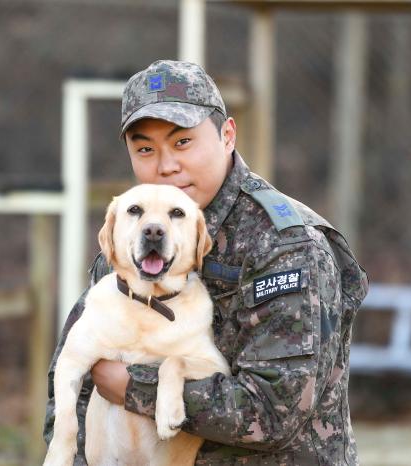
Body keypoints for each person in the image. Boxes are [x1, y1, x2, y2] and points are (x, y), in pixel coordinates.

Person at [44, 60, 369, 465]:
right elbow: (70, 384)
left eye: (182, 143)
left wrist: (133, 386)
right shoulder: (134, 234)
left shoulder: (286, 244)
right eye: (145, 149)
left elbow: (272, 411)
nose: (165, 166)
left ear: (227, 135)